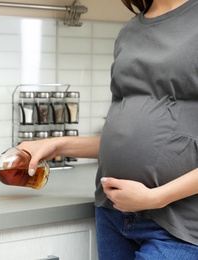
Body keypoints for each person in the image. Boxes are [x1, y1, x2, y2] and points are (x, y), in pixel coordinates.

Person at [17, 0, 198, 259]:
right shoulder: (129, 31)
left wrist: (157, 197)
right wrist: (58, 145)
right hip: (112, 213)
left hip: (177, 222)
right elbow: (125, 131)